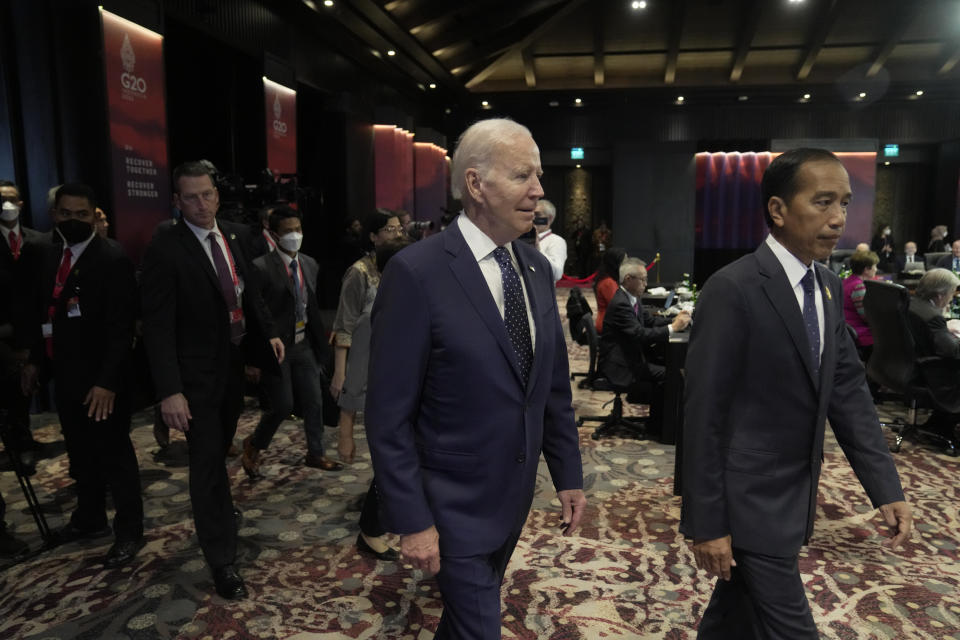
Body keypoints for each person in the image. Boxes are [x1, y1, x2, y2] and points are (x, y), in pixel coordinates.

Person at [364, 118, 586, 639]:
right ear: (475, 185)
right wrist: (413, 519)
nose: (539, 191)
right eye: (522, 176)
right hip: (449, 507)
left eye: (539, 175)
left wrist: (568, 474)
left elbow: (550, 388)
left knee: (464, 626)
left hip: (513, 496)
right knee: (480, 628)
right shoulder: (417, 273)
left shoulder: (533, 268)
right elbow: (388, 415)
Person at [681, 148, 912, 639]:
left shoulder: (827, 287)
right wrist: (706, 522)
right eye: (823, 202)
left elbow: (849, 395)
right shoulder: (734, 288)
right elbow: (703, 416)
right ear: (779, 210)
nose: (837, 219)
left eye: (845, 204)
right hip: (747, 502)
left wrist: (885, 488)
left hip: (793, 498)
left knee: (731, 619)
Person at [141, 161, 284, 600]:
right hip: (193, 377)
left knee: (219, 452)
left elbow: (249, 293)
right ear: (176, 202)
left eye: (207, 195)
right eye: (191, 197)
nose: (201, 205)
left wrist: (271, 335)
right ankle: (222, 560)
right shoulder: (166, 245)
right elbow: (158, 324)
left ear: (217, 195)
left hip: (232, 369)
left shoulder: (237, 233)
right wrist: (170, 390)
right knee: (205, 465)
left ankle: (220, 514)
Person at [26, 183, 144, 566]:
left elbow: (121, 327)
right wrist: (33, 362)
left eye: (81, 214)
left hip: (104, 381)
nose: (73, 221)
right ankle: (89, 518)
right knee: (80, 452)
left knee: (114, 455)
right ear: (54, 215)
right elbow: (41, 313)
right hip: (66, 374)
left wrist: (107, 382)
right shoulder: (45, 252)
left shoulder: (112, 258)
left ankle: (129, 530)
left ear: (94, 215)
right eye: (65, 214)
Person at [242, 205, 340, 477]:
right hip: (278, 349)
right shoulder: (261, 268)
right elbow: (256, 315)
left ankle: (316, 452)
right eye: (288, 231)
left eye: (298, 229)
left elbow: (311, 306)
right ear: (274, 234)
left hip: (303, 343)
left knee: (314, 400)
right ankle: (255, 443)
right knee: (282, 405)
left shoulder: (309, 263)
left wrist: (322, 345)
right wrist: (253, 359)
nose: (295, 235)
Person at [330, 208, 403, 560]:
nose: (395, 233)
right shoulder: (358, 273)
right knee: (387, 445)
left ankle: (389, 509)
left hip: (390, 360)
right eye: (388, 229)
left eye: (399, 228)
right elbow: (344, 326)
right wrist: (340, 373)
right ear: (373, 236)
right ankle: (372, 525)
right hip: (363, 357)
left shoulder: (401, 265)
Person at [598, 257, 690, 434]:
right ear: (628, 279)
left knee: (666, 366)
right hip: (619, 365)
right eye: (643, 279)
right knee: (669, 375)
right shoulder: (620, 304)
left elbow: (650, 321)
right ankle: (659, 427)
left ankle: (657, 422)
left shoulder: (631, 297)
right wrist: (673, 327)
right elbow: (640, 334)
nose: (646, 284)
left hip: (630, 357)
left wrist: (676, 320)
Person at [0, 180, 45, 469]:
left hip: (37, 331)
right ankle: (19, 442)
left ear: (21, 204)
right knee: (11, 388)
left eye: (10, 199)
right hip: (2, 334)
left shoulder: (40, 240)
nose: (6, 205)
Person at [906, 268, 960, 440]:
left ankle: (940, 421)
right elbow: (951, 351)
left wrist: (944, 328)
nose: (952, 298)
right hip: (933, 374)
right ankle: (946, 424)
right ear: (939, 295)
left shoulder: (911, 303)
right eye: (952, 293)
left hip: (906, 366)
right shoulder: (932, 317)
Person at [843, 249, 879, 361]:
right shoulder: (858, 287)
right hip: (860, 335)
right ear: (866, 270)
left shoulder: (846, 281)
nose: (876, 269)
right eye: (874, 266)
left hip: (847, 331)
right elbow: (867, 317)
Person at [594, 247, 627, 332]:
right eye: (624, 262)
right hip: (608, 325)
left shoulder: (609, 279)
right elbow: (618, 307)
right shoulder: (608, 283)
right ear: (615, 263)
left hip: (610, 322)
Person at [534, 199, 567, 282]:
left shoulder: (557, 241)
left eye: (537, 215)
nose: (533, 218)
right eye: (531, 214)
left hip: (541, 291)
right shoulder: (520, 238)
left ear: (550, 218)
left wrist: (537, 250)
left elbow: (557, 274)